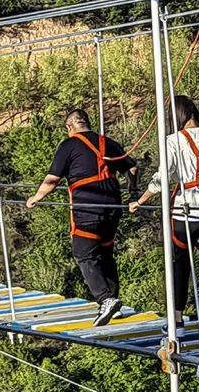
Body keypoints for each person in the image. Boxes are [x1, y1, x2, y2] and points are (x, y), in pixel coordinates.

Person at [129, 96, 199, 341]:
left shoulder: (172, 141)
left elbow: (162, 178)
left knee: (180, 266)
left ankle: (178, 321)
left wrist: (141, 200)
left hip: (185, 212)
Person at [26, 108, 138, 327]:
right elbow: (132, 167)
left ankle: (105, 299)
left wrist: (36, 197)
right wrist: (133, 191)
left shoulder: (68, 145)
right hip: (113, 206)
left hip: (88, 207)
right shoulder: (107, 143)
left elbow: (52, 179)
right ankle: (113, 302)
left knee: (84, 253)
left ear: (70, 127)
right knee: (105, 252)